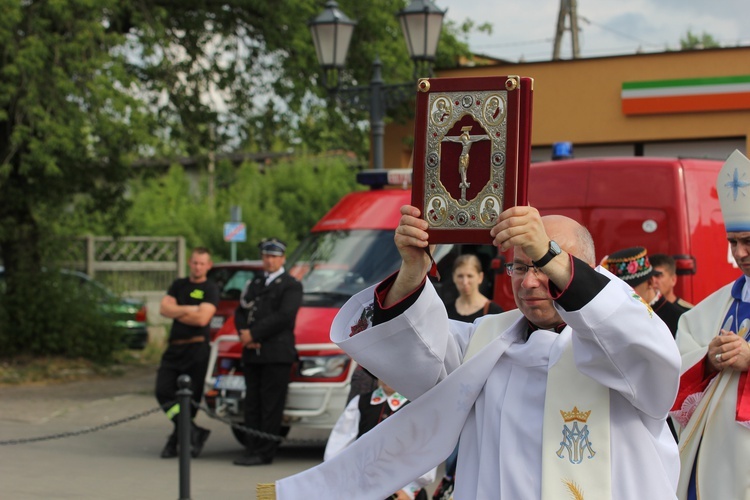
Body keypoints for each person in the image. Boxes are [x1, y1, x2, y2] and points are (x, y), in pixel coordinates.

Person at [271, 205, 681, 500]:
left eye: (544, 264)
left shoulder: (626, 343)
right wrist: (412, 272)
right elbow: (414, 354)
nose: (531, 280)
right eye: (521, 266)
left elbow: (647, 352)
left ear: (584, 271)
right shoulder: (484, 344)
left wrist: (548, 254)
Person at [669, 150, 750, 500]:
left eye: (749, 242)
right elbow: (679, 362)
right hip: (714, 457)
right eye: (734, 243)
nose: (740, 253)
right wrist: (708, 360)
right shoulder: (716, 305)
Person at [435, 254, 504, 499]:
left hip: (480, 392)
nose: (465, 282)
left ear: (480, 278)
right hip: (452, 392)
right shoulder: (447, 310)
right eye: (460, 276)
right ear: (453, 278)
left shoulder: (493, 312)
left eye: (470, 276)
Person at [233, 238, 302, 466]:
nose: (269, 260)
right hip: (253, 353)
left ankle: (265, 451)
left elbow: (283, 317)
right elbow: (241, 311)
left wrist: (254, 334)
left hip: (276, 354)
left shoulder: (290, 284)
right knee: (253, 403)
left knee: (271, 405)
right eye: (266, 256)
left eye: (273, 256)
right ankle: (251, 448)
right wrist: (244, 333)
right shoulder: (254, 283)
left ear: (282, 258)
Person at [155, 247, 219, 459]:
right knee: (163, 391)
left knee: (189, 399)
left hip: (197, 350)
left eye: (202, 263)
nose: (198, 266)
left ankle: (175, 442)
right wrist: (191, 309)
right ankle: (193, 432)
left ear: (208, 266)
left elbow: (202, 319)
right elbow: (164, 309)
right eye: (195, 262)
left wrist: (180, 310)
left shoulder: (211, 288)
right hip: (175, 349)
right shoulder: (179, 285)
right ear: (189, 263)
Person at [325, 378, 436, 500]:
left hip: (402, 490)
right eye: (382, 373)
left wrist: (410, 489)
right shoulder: (360, 403)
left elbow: (426, 450)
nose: (387, 378)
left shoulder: (416, 406)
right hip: (363, 487)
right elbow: (339, 446)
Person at [602, 246, 685, 336]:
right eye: (619, 289)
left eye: (630, 288)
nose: (623, 294)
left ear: (650, 282)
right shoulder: (619, 318)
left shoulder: (679, 320)